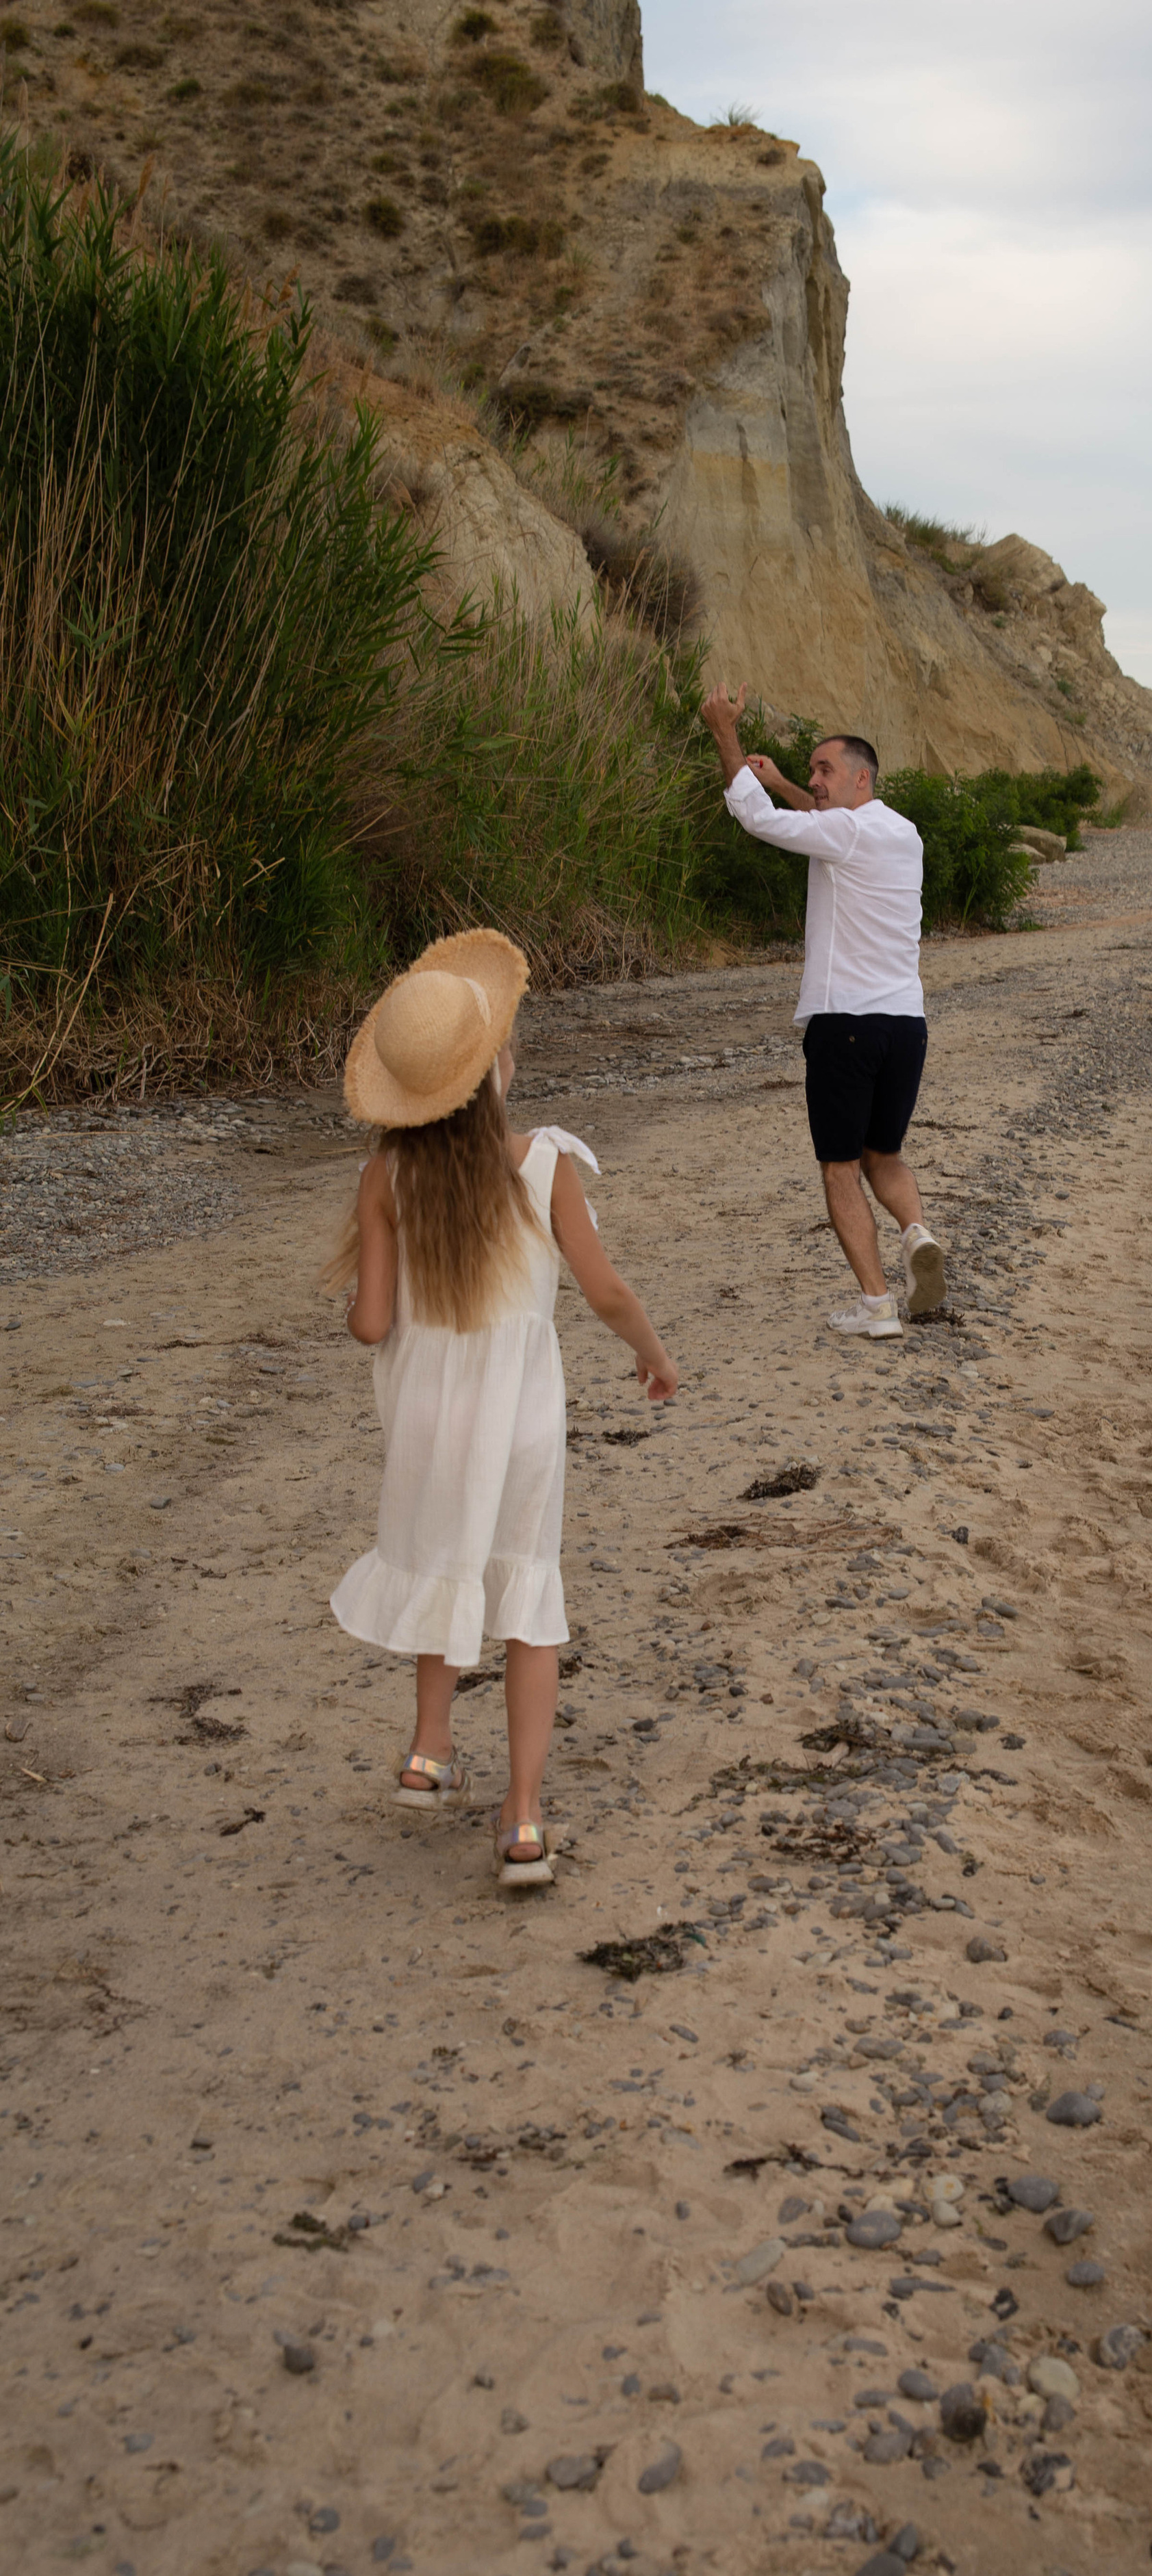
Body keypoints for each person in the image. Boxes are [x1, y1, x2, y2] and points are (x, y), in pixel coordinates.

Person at [322, 928, 678, 1888]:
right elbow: (603, 1290)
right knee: (526, 1594)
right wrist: (651, 1354)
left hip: (426, 1420)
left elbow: (367, 1324)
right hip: (519, 1417)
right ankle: (521, 1822)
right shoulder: (545, 1163)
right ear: (493, 1074)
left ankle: (429, 1752)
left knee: (446, 1565)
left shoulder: (385, 1178)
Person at [700, 680, 947, 1341]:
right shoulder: (904, 832)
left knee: (840, 1167)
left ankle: (876, 1307)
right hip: (907, 1026)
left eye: (824, 769)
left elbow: (758, 821)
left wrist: (725, 733)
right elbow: (821, 821)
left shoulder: (845, 832)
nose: (814, 778)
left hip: (847, 1027)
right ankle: (916, 1233)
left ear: (862, 778)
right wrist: (783, 779)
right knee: (883, 1155)